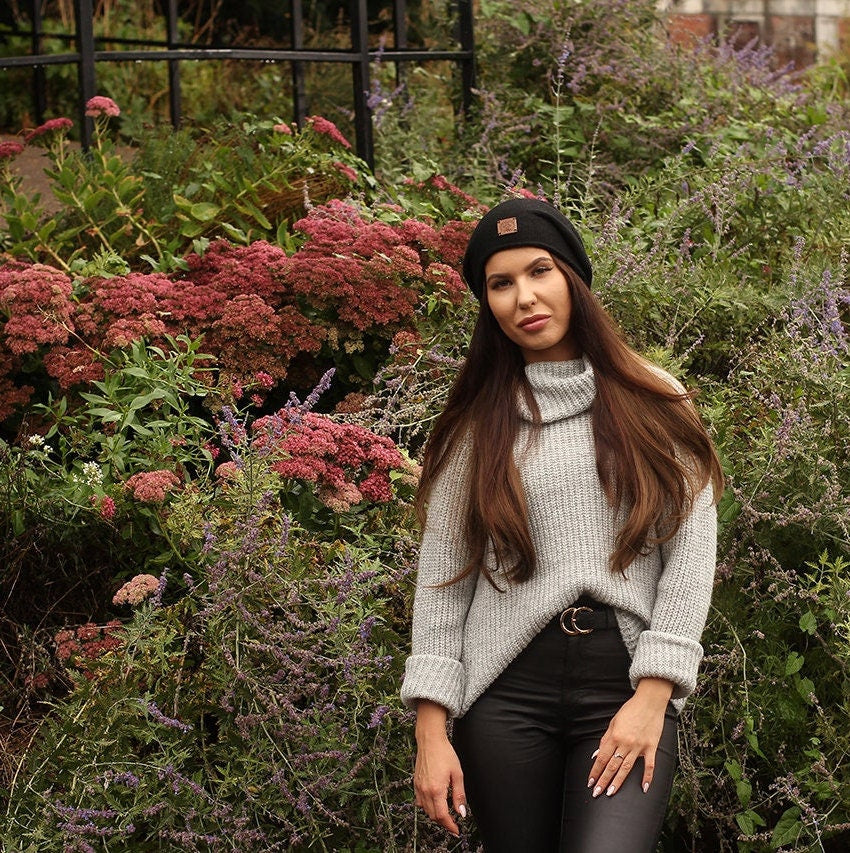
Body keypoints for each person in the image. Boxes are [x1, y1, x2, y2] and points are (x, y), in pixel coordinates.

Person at [400, 198, 723, 853]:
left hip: (623, 685)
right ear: (487, 303)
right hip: (506, 698)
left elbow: (691, 553)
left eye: (539, 270)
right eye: (501, 283)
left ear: (572, 276)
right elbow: (442, 582)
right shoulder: (475, 428)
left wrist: (653, 696)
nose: (524, 296)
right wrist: (430, 733)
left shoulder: (655, 401)